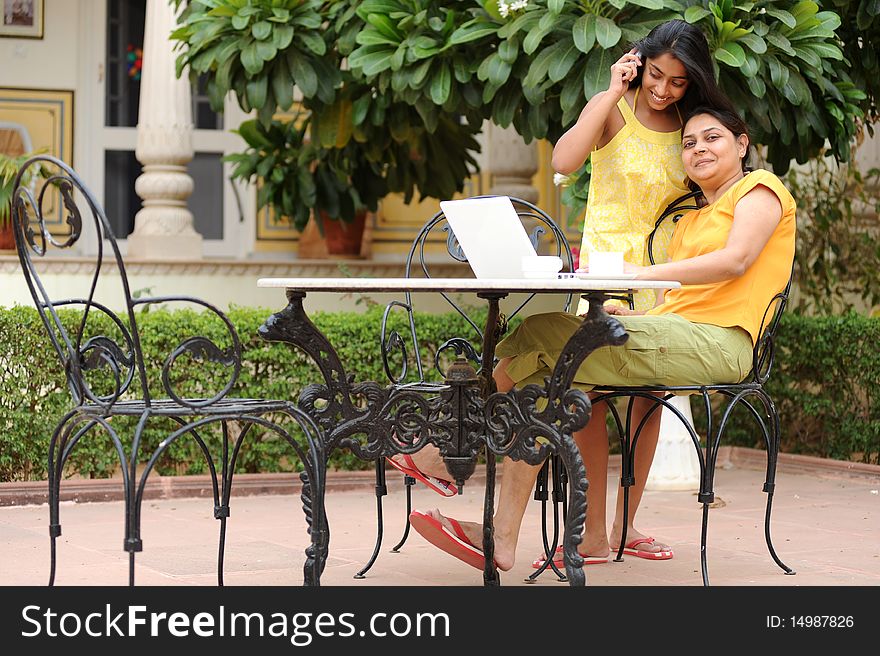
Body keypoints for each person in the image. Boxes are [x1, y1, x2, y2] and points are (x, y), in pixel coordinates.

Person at [389, 19, 730, 560]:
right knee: (581, 400)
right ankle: (590, 530)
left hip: (665, 277)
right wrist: (612, 90)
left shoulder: (695, 128)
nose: (663, 90)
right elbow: (565, 161)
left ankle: (618, 530)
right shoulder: (614, 110)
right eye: (656, 76)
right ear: (639, 63)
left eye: (678, 82)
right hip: (606, 274)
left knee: (647, 408)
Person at [408, 105, 797, 573]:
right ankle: (500, 534)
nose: (698, 150)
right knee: (541, 354)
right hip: (682, 332)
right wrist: (631, 312)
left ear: (742, 143)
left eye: (711, 138)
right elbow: (685, 302)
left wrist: (643, 274)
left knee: (550, 342)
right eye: (689, 144)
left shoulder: (760, 189)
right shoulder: (692, 221)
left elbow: (736, 261)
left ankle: (449, 451)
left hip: (724, 342)